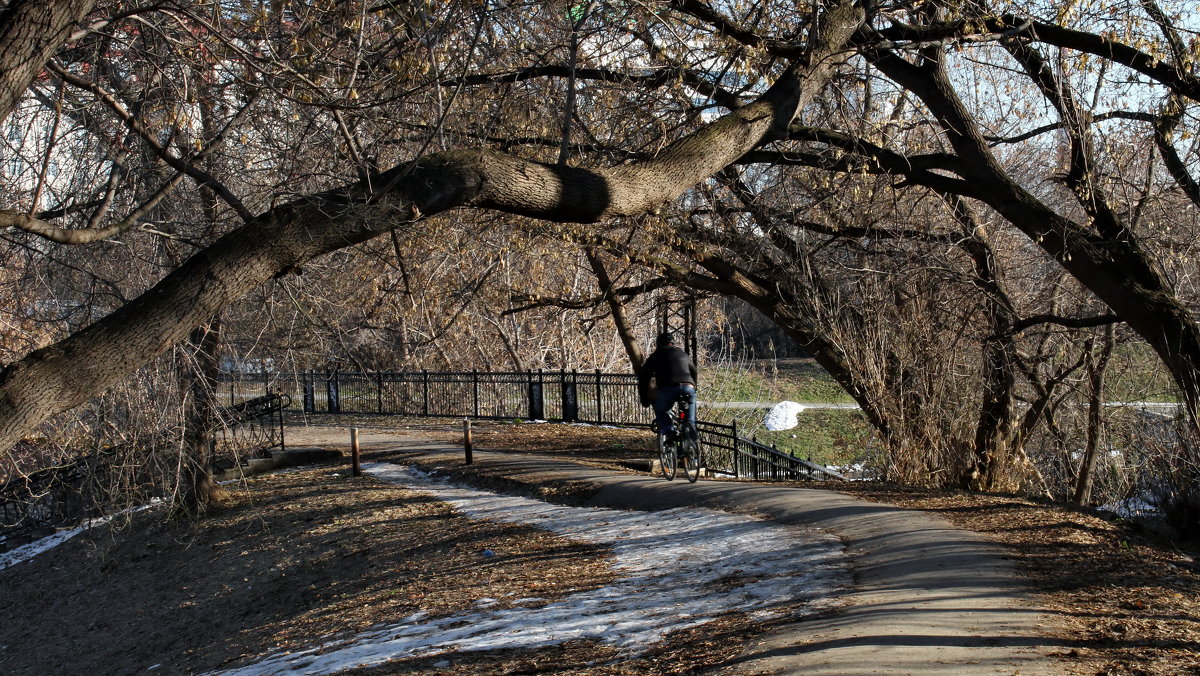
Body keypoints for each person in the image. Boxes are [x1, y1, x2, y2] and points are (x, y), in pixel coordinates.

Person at [638, 331, 698, 441]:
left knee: (661, 410)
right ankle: (693, 443)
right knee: (690, 420)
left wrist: (644, 397)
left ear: (658, 344)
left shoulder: (655, 356)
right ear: (673, 342)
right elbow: (694, 371)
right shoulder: (682, 354)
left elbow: (644, 377)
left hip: (667, 388)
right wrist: (694, 387)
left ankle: (669, 433)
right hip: (688, 387)